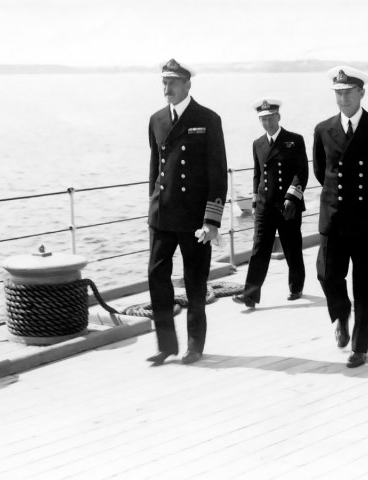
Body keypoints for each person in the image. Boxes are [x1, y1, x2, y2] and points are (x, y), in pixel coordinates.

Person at [312, 66, 368, 368]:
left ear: (361, 92)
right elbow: (321, 171)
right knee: (327, 275)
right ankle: (341, 313)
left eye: (349, 92)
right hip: (335, 216)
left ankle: (360, 347)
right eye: (338, 93)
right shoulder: (323, 129)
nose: (343, 98)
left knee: (364, 284)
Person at [146, 59, 228, 366]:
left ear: (187, 84)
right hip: (162, 216)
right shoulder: (156, 119)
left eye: (172, 82)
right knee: (157, 277)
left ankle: (195, 345)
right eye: (164, 82)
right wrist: (152, 207)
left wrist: (212, 220)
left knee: (195, 282)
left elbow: (217, 173)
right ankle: (166, 345)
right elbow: (155, 169)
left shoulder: (207, 119)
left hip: (194, 219)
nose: (167, 88)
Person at [233, 98, 309, 308]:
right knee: (259, 249)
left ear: (278, 117)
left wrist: (291, 198)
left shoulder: (294, 140)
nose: (266, 123)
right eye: (262, 119)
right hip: (265, 206)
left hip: (287, 205)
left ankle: (296, 287)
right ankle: (250, 295)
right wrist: (255, 202)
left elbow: (301, 172)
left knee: (292, 247)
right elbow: (258, 175)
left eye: (269, 118)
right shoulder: (258, 144)